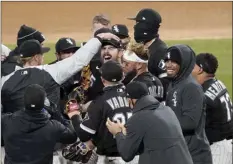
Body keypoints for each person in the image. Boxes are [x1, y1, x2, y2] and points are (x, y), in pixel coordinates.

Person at [1, 32, 119, 114]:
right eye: (42, 54)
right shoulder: (50, 72)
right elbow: (78, 60)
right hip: (47, 134)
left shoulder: (5, 80)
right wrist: (99, 38)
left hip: (14, 137)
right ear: (36, 57)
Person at [66, 61, 138, 164]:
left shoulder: (100, 102)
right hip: (135, 156)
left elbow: (83, 135)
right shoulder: (134, 95)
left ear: (103, 80)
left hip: (112, 158)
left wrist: (74, 115)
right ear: (122, 77)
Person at [106, 81, 193, 164]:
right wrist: (126, 134)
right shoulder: (166, 109)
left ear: (131, 100)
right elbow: (151, 139)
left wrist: (117, 133)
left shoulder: (138, 118)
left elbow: (126, 155)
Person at [1, 84, 77, 164]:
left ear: (24, 100)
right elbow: (72, 137)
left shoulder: (6, 121)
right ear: (43, 103)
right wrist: (56, 113)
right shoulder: (54, 127)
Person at [164, 45, 212, 164]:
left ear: (185, 63)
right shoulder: (174, 83)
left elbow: (190, 122)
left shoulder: (191, 87)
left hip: (194, 156)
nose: (169, 65)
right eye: (167, 61)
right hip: (182, 153)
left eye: (174, 61)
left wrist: (161, 124)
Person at [192, 53, 233, 164]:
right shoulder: (219, 83)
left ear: (200, 69)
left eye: (193, 66)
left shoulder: (203, 94)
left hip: (218, 149)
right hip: (227, 144)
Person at [128, 8, 169, 99]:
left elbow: (167, 82)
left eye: (138, 23)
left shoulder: (160, 51)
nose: (135, 27)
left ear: (146, 26)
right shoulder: (140, 47)